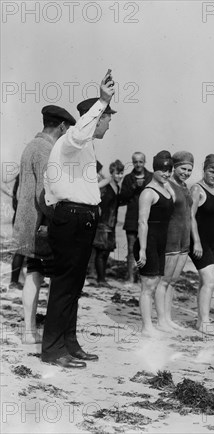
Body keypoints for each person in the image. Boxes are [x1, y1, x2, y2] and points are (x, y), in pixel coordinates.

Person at [42, 70, 116, 368]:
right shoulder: (71, 141)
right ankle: (52, 350)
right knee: (64, 286)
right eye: (107, 118)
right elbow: (78, 133)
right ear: (95, 118)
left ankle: (68, 344)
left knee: (74, 287)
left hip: (81, 220)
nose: (109, 125)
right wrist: (102, 101)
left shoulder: (84, 148)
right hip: (71, 219)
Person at [13, 105, 76, 344]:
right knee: (49, 277)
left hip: (27, 223)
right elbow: (44, 194)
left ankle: (29, 331)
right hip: (42, 225)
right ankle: (37, 332)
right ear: (61, 126)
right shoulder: (47, 150)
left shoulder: (31, 145)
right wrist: (56, 220)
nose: (66, 132)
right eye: (66, 128)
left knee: (34, 273)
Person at [134, 151, 176, 337]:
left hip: (160, 242)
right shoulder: (148, 193)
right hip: (148, 242)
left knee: (156, 282)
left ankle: (156, 323)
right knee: (147, 286)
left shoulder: (166, 189)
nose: (166, 174)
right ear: (154, 169)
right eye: (162, 170)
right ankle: (146, 327)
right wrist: (142, 249)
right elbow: (142, 222)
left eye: (169, 170)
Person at [156, 151, 194, 332]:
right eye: (182, 168)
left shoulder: (186, 187)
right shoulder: (167, 185)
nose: (186, 172)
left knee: (172, 282)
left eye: (189, 169)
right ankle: (161, 320)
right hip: (171, 238)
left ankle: (168, 318)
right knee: (163, 281)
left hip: (184, 241)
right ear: (174, 167)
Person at [189, 154, 214, 331]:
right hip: (199, 241)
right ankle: (204, 322)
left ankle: (201, 319)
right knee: (211, 282)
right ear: (204, 170)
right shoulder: (197, 189)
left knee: (205, 283)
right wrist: (196, 241)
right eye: (211, 171)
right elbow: (191, 216)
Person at [120, 152, 153, 284]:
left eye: (140, 161)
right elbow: (122, 198)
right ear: (132, 162)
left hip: (148, 219)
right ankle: (130, 277)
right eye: (135, 162)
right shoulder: (128, 178)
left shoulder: (150, 177)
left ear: (144, 162)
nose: (138, 164)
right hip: (132, 219)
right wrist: (133, 187)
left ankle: (143, 278)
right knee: (130, 250)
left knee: (147, 249)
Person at [92, 160, 125, 287]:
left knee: (105, 252)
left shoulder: (117, 186)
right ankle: (100, 280)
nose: (120, 176)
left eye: (121, 173)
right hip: (103, 223)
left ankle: (101, 278)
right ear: (112, 173)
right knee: (101, 252)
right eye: (117, 173)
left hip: (111, 224)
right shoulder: (107, 185)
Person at [1, 172, 25, 290]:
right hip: (22, 217)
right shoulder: (25, 175)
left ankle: (18, 279)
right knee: (20, 250)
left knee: (21, 250)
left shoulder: (21, 175)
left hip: (18, 215)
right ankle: (14, 281)